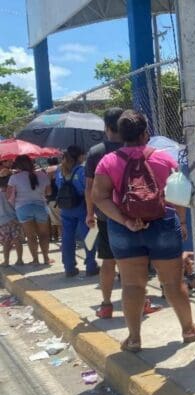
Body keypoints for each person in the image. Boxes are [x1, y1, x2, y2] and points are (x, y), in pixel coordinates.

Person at [92, 110, 195, 351]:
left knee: (132, 286)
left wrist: (124, 220)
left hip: (124, 229)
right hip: (162, 223)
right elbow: (178, 194)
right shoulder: (163, 159)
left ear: (119, 134)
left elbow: (99, 197)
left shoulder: (108, 162)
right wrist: (181, 222)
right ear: (145, 133)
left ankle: (134, 338)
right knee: (173, 282)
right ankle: (189, 329)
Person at [85, 107, 124, 319]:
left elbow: (90, 187)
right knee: (133, 263)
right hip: (132, 215)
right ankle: (141, 301)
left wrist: (90, 213)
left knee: (108, 262)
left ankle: (107, 305)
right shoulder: (135, 147)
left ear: (107, 127)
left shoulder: (96, 152)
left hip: (106, 215)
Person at [56, 146, 99, 277]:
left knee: (67, 238)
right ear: (79, 157)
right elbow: (88, 189)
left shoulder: (60, 171)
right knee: (90, 235)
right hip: (82, 206)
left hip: (65, 208)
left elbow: (58, 186)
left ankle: (69, 266)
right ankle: (91, 264)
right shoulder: (81, 171)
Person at [7, 155, 51, 265]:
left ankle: (35, 260)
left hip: (22, 208)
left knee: (31, 236)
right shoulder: (42, 175)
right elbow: (49, 192)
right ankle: (46, 258)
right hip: (40, 206)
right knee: (44, 234)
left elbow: (8, 195)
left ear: (18, 165)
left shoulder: (14, 178)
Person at [0, 174, 24, 266]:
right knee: (17, 239)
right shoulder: (12, 193)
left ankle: (6, 261)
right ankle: (19, 260)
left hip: (3, 221)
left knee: (6, 241)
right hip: (15, 219)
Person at [45, 157, 61, 242]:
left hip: (52, 198)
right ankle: (59, 237)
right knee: (60, 220)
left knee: (54, 221)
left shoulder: (49, 170)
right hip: (63, 198)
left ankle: (54, 237)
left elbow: (47, 185)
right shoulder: (62, 168)